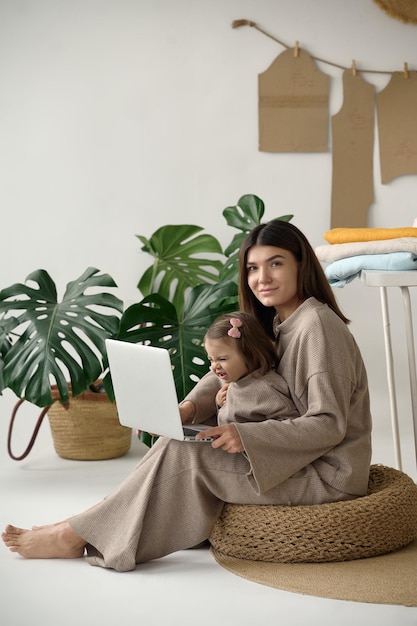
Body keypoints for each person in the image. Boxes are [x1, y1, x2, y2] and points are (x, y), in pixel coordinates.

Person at [2, 220, 372, 572]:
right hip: (295, 459)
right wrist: (188, 408)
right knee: (174, 439)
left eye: (276, 263)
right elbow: (238, 364)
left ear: (300, 264)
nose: (263, 278)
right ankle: (84, 523)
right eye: (253, 268)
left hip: (326, 475)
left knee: (186, 456)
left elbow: (328, 425)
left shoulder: (317, 328)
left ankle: (75, 535)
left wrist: (245, 436)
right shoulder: (276, 322)